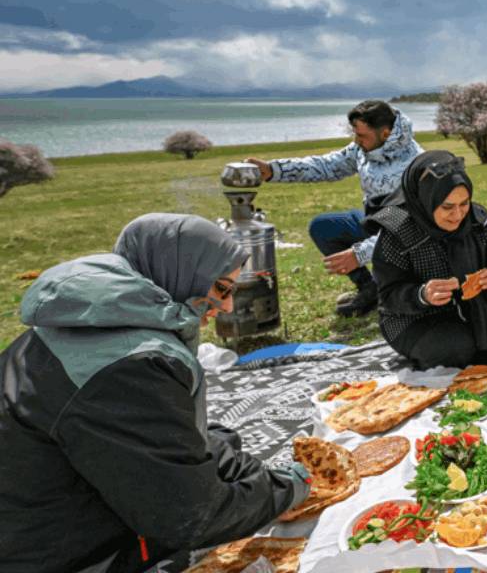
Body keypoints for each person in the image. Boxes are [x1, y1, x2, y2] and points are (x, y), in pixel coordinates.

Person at [0, 214, 309, 573]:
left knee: (219, 441)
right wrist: (289, 488)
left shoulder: (84, 316)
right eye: (221, 289)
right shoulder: (131, 366)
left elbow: (145, 437)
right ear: (178, 274)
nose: (226, 306)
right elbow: (191, 517)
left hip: (39, 517)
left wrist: (225, 459)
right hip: (59, 554)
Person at [245, 100, 423, 317]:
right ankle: (369, 289)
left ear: (385, 133)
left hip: (409, 239)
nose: (356, 141)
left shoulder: (414, 165)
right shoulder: (363, 148)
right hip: (374, 221)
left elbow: (408, 229)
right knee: (323, 227)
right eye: (355, 134)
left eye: (361, 136)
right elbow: (327, 165)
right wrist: (273, 170)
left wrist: (359, 254)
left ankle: (398, 290)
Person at [367, 151, 487, 369]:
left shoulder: (479, 221)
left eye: (464, 203)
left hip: (475, 307)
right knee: (454, 351)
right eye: (447, 207)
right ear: (425, 199)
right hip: (413, 317)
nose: (458, 215)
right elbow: (388, 296)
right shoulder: (397, 231)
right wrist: (422, 294)